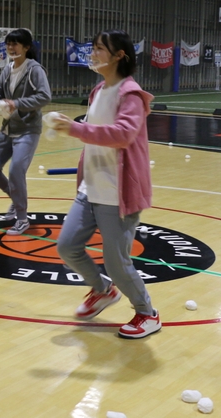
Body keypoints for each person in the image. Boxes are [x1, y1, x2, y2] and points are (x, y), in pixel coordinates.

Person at [52, 29, 159, 340]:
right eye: (94, 47)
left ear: (118, 56)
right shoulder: (99, 90)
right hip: (91, 188)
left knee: (116, 263)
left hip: (117, 193)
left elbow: (122, 135)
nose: (93, 53)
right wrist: (75, 127)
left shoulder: (131, 95)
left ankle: (147, 313)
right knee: (67, 246)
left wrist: (75, 129)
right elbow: (95, 131)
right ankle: (103, 290)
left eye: (99, 48)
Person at [0, 29, 51, 236]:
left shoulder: (34, 70)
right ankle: (16, 200)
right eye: (8, 44)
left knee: (16, 170)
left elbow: (44, 96)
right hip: (8, 128)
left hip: (28, 129)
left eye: (15, 44)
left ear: (26, 47)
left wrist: (17, 103)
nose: (11, 47)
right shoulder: (7, 69)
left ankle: (22, 219)